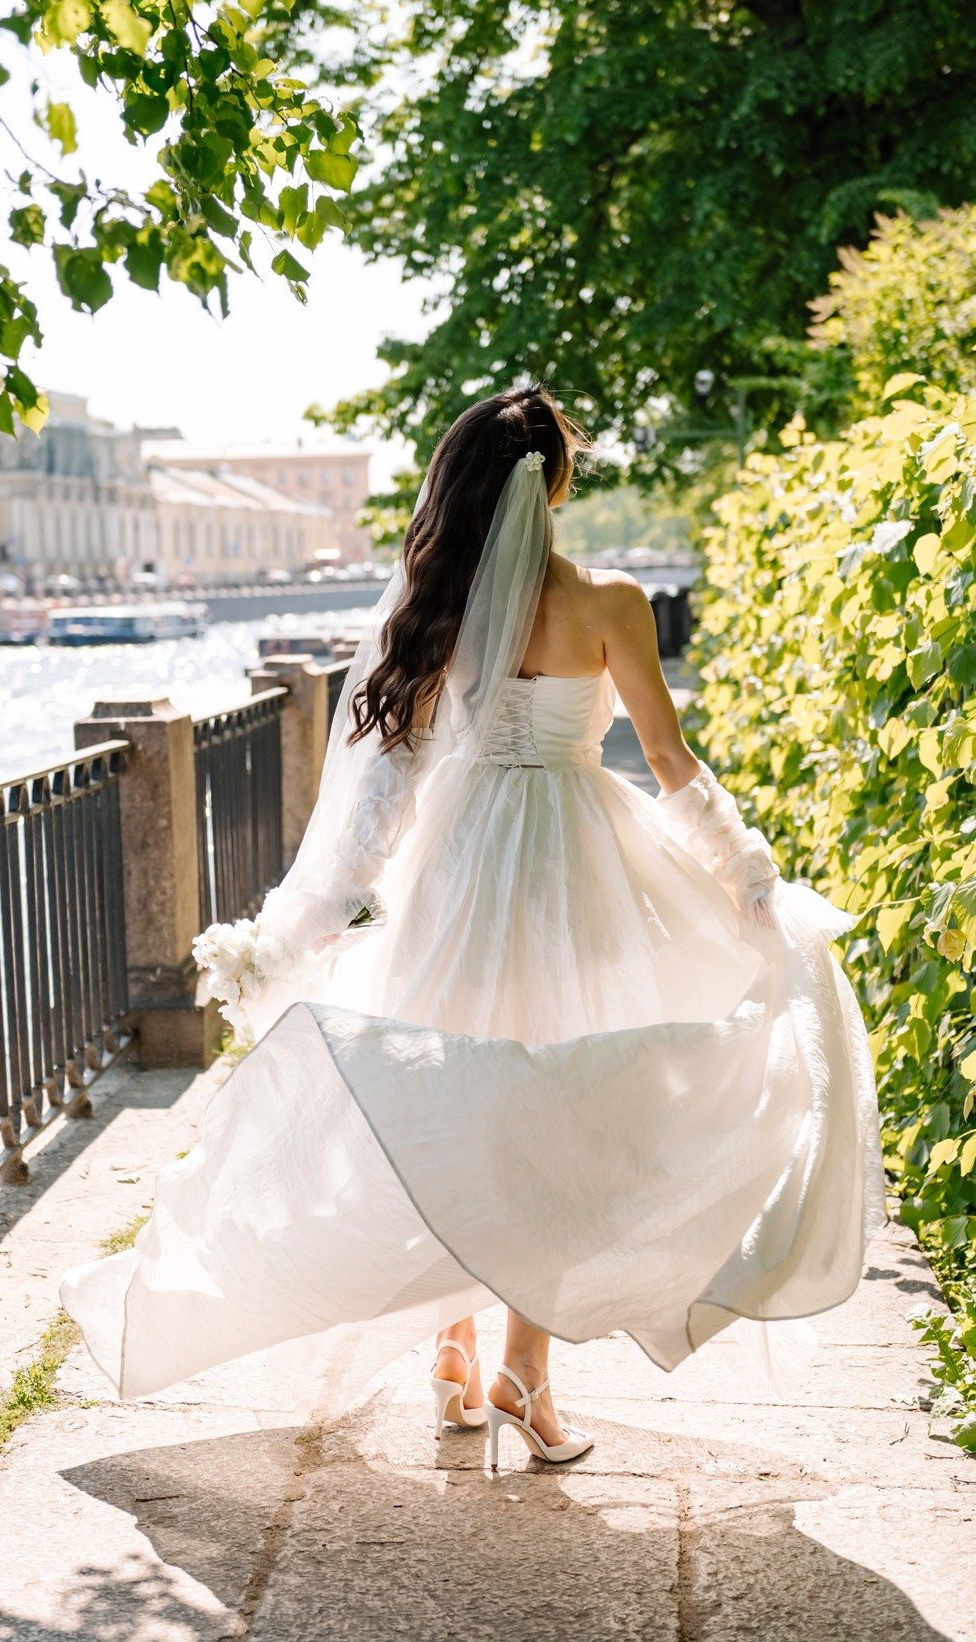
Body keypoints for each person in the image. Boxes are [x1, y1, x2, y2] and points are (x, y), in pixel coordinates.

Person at [61, 386, 884, 1469]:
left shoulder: (433, 609)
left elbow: (381, 791)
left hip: (456, 867)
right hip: (574, 866)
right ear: (553, 484)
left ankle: (453, 1354)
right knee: (555, 1113)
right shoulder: (611, 601)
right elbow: (672, 761)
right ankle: (521, 1372)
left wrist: (305, 920)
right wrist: (747, 871)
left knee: (446, 1092)